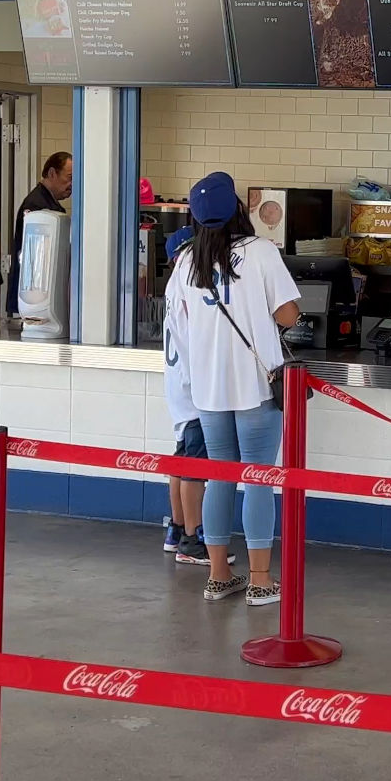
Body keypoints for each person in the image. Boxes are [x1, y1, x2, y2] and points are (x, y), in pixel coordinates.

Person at [164, 171, 300, 604]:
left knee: (220, 477)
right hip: (255, 387)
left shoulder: (185, 261)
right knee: (257, 479)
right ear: (239, 209)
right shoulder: (260, 252)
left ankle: (219, 574)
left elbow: (179, 330)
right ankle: (260, 580)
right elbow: (289, 316)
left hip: (207, 391)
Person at [159, 225, 229, 567]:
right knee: (194, 469)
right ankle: (193, 537)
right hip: (194, 390)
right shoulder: (191, 288)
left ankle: (176, 529)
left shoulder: (173, 288)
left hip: (178, 389)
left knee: (180, 460)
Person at [9, 151, 73, 312]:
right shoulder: (36, 207)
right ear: (52, 173)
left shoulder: (50, 205)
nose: (72, 184)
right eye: (70, 177)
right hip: (32, 297)